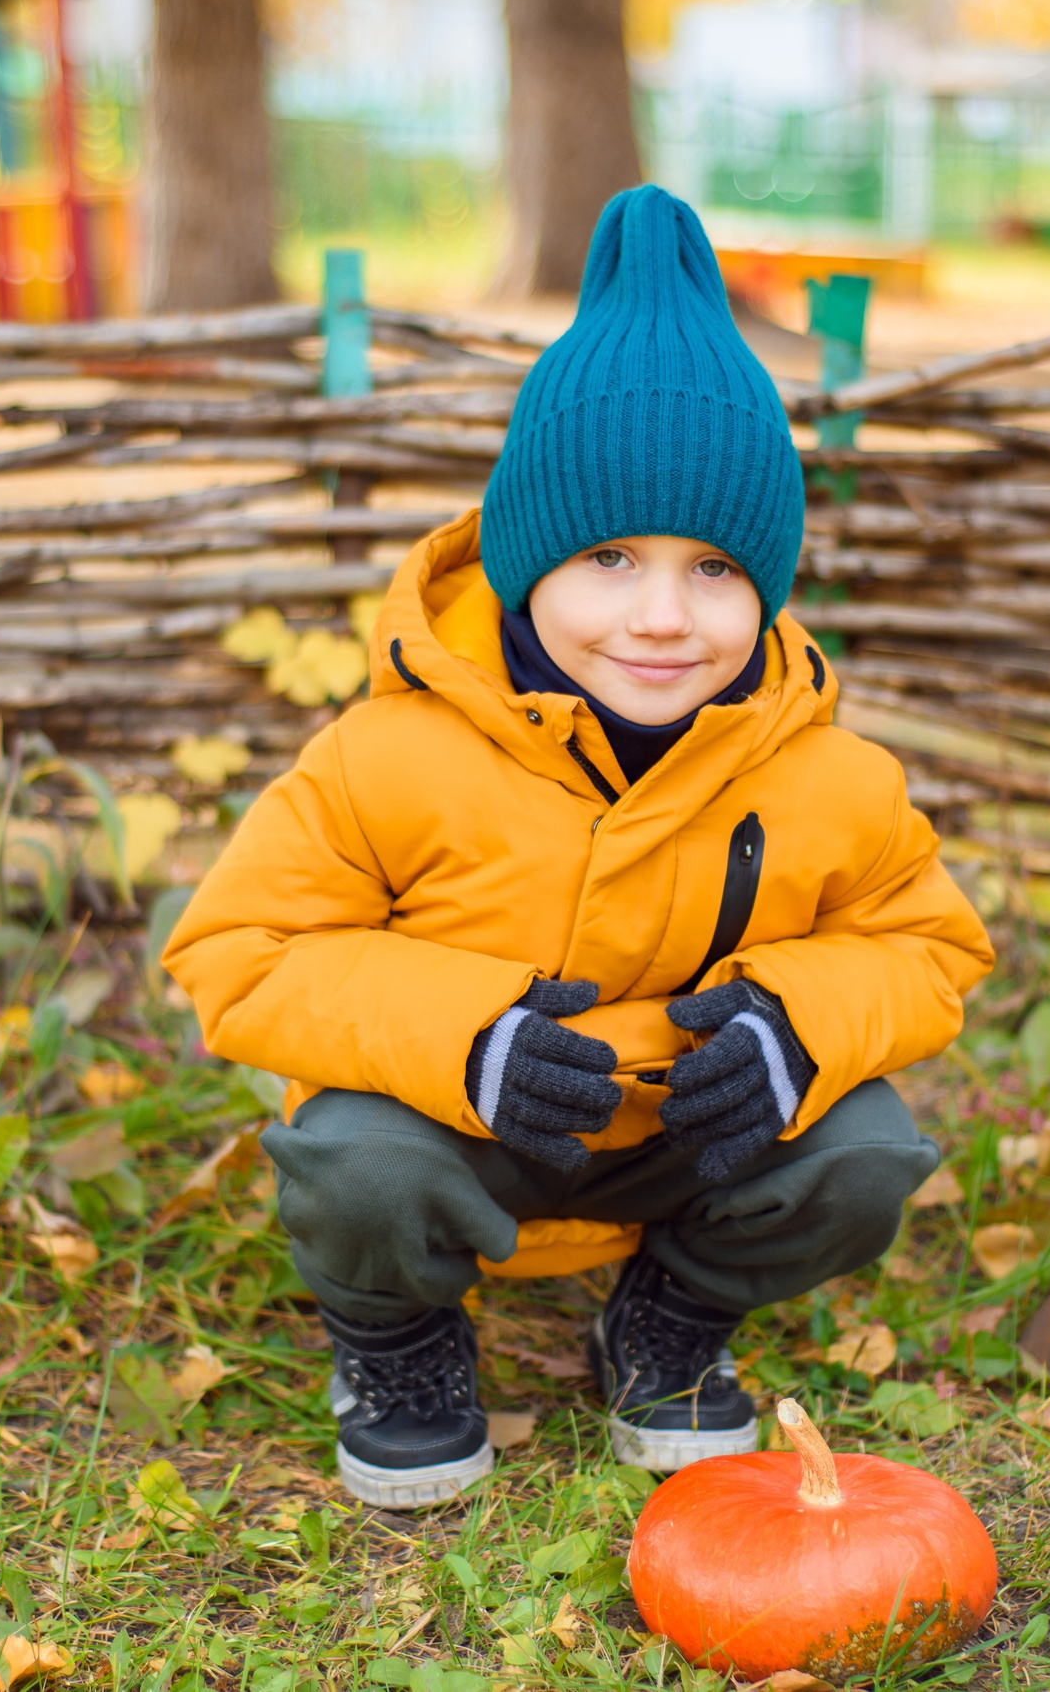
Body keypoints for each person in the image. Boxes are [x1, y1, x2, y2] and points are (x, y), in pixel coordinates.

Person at [163, 185, 993, 1509]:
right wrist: (466, 1038)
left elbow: (928, 939)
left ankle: (665, 1321)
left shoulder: (830, 774)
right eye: (609, 556)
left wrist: (798, 1027)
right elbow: (236, 948)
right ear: (523, 555)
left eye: (716, 568)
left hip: (680, 1129)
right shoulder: (394, 751)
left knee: (865, 1150)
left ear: (768, 582)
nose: (663, 616)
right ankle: (397, 1342)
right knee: (362, 1162)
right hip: (463, 1123)